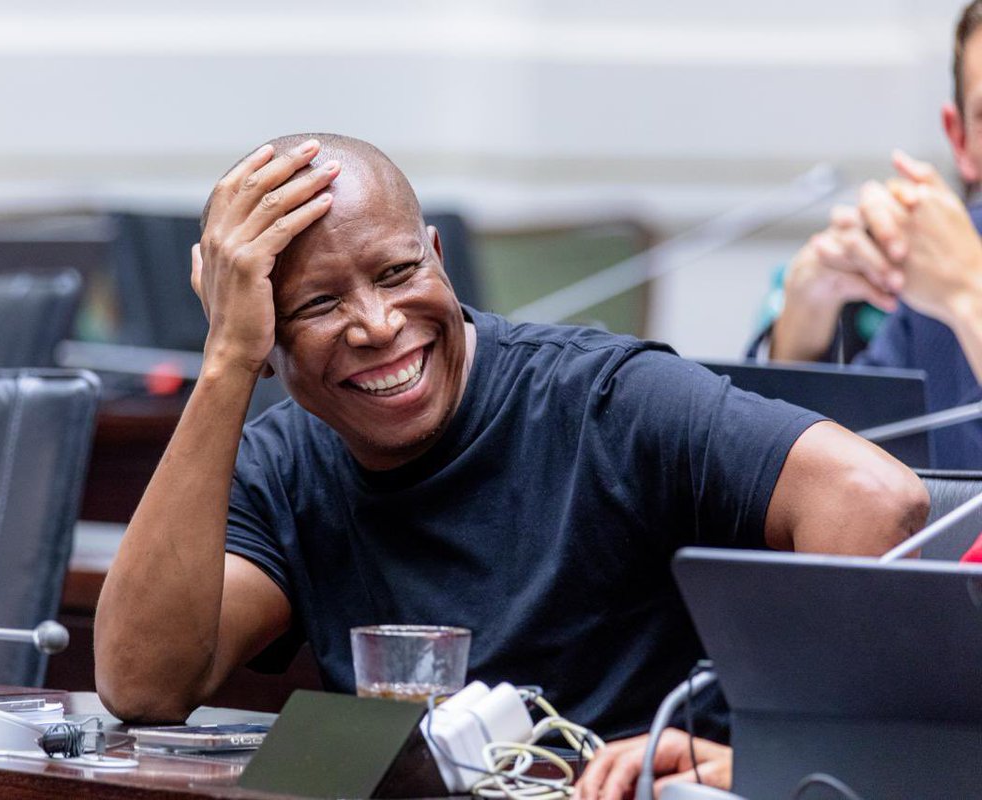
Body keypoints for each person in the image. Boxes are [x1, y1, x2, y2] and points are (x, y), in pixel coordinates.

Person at [93, 134, 928, 794]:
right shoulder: (289, 464)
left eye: (397, 272)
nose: (379, 324)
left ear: (437, 255)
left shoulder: (607, 398)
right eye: (319, 303)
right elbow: (142, 685)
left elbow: (872, 497)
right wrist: (225, 362)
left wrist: (761, 754)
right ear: (269, 334)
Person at [762, 1, 982, 468]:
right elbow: (831, 480)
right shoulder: (936, 288)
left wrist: (969, 292)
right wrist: (803, 328)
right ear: (960, 140)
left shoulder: (958, 278)